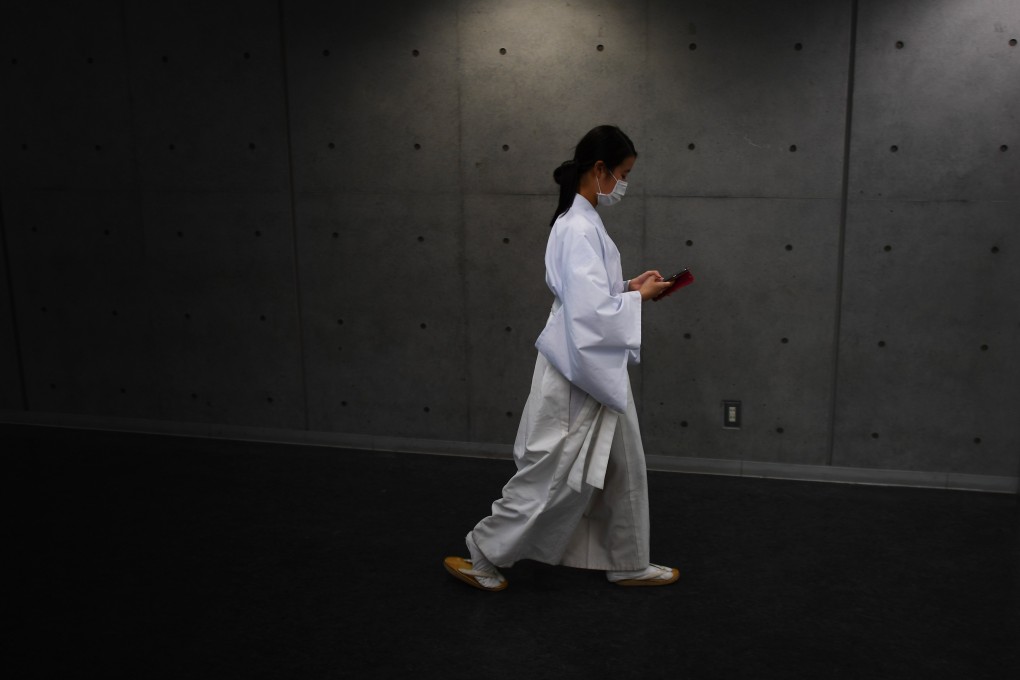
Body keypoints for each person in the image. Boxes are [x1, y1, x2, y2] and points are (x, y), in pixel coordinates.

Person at [443, 125, 679, 591]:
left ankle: (629, 560)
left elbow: (591, 298)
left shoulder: (584, 222)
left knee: (624, 464)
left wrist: (629, 289)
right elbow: (588, 311)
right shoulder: (576, 227)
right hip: (579, 369)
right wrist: (638, 300)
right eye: (623, 174)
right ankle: (483, 554)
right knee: (552, 475)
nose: (624, 185)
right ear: (599, 170)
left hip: (592, 361)